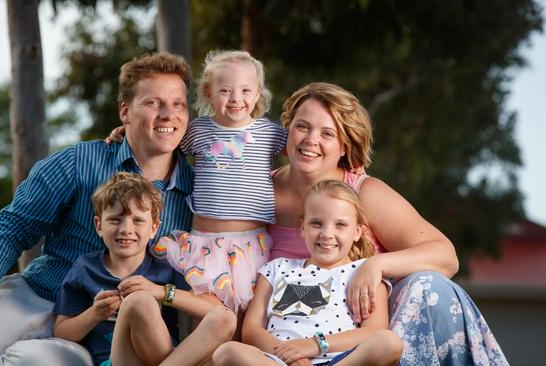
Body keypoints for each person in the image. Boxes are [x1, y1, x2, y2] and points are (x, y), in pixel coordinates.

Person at [0, 52, 203, 366]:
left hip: (99, 334)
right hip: (34, 298)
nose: (168, 115)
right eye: (153, 103)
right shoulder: (78, 163)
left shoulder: (199, 194)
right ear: (125, 112)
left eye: (178, 104)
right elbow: (13, 228)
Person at [268, 82, 508, 365]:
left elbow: (445, 256)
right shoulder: (258, 191)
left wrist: (375, 265)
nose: (311, 140)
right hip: (284, 338)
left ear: (345, 146)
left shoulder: (363, 192)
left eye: (327, 133)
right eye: (302, 127)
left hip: (358, 342)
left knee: (429, 285)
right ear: (288, 129)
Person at [212, 179, 403, 366]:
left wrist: (314, 345)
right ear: (302, 227)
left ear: (357, 232)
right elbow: (251, 330)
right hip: (278, 360)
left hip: (338, 360)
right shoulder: (277, 269)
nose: (327, 234)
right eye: (317, 223)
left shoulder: (363, 273)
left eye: (340, 225)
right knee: (226, 352)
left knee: (388, 343)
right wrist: (291, 355)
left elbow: (373, 331)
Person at [153, 50, 287, 314]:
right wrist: (123, 130)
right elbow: (164, 139)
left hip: (251, 244)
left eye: (246, 90)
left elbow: (305, 150)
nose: (237, 98)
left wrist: (348, 161)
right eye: (225, 90)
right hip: (204, 242)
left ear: (258, 93)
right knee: (202, 312)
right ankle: (198, 356)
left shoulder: (269, 133)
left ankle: (234, 355)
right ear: (208, 93)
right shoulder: (197, 130)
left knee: (245, 315)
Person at [53, 172, 234, 366]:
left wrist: (161, 292)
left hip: (170, 358)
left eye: (138, 220)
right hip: (119, 360)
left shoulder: (165, 267)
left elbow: (213, 307)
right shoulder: (85, 269)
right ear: (99, 225)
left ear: (154, 228)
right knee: (139, 301)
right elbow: (62, 332)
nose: (126, 229)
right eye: (115, 220)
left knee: (226, 317)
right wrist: (94, 314)